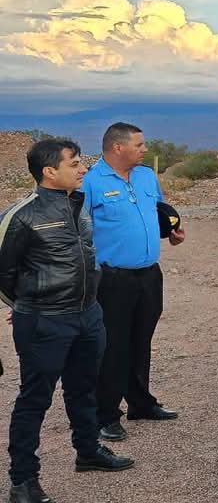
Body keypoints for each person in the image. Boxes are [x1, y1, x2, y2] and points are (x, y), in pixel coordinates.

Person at [1, 139, 134, 503]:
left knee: (84, 388)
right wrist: (28, 304)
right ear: (49, 171)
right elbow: (4, 273)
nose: (83, 169)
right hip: (45, 322)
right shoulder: (22, 215)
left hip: (88, 315)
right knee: (35, 399)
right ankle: (23, 481)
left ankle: (88, 452)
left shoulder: (78, 205)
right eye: (74, 164)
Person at [81, 122, 184, 442]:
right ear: (117, 147)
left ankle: (141, 404)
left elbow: (158, 213)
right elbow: (79, 233)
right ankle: (106, 415)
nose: (144, 149)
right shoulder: (90, 183)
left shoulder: (146, 177)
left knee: (141, 341)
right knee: (113, 346)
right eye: (139, 145)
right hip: (112, 279)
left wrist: (171, 234)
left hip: (149, 275)